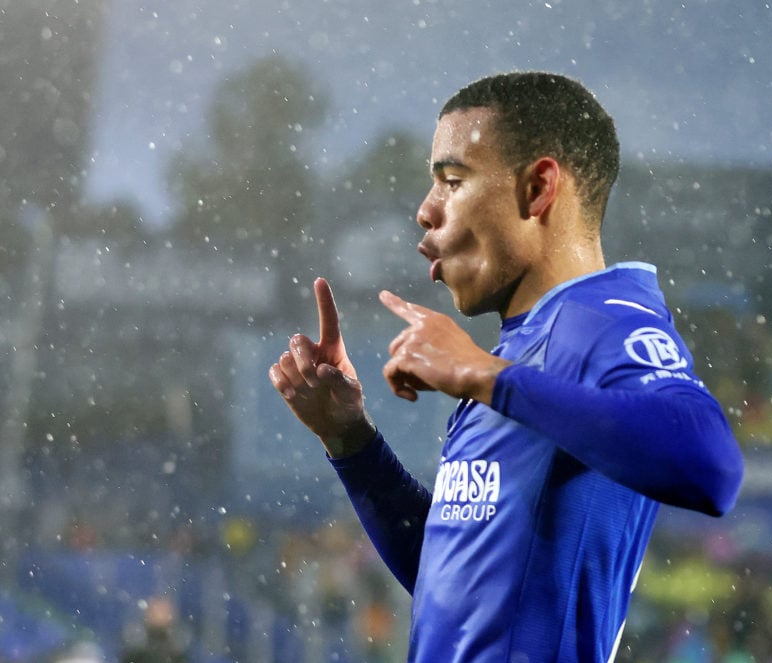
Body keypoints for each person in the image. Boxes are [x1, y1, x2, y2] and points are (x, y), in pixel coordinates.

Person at [269, 71, 744, 662]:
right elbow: (463, 585)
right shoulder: (520, 350)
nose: (424, 210)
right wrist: (351, 441)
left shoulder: (604, 320)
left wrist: (484, 376)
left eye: (452, 180)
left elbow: (713, 468)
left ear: (538, 188)